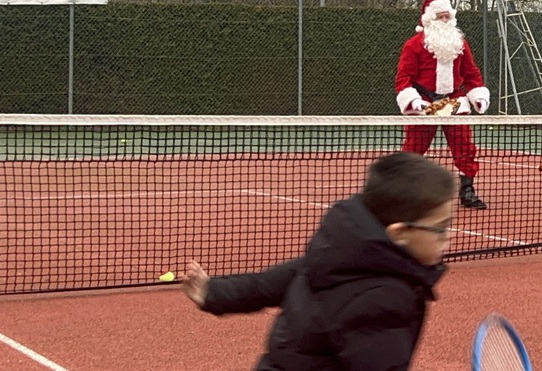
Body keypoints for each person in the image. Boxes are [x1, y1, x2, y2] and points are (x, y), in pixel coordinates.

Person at [181, 151, 455, 370]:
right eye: (441, 227)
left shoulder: (339, 257)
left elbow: (268, 284)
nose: (448, 235)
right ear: (399, 233)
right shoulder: (383, 298)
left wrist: (214, 291)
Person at [395, 0, 491, 209]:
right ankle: (405, 191)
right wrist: (413, 101)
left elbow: (471, 74)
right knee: (413, 148)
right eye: (440, 16)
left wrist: (478, 95)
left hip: (453, 102)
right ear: (430, 19)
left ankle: (467, 190)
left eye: (448, 16)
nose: (445, 20)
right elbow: (403, 77)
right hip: (424, 103)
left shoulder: (460, 44)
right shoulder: (413, 45)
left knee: (464, 147)